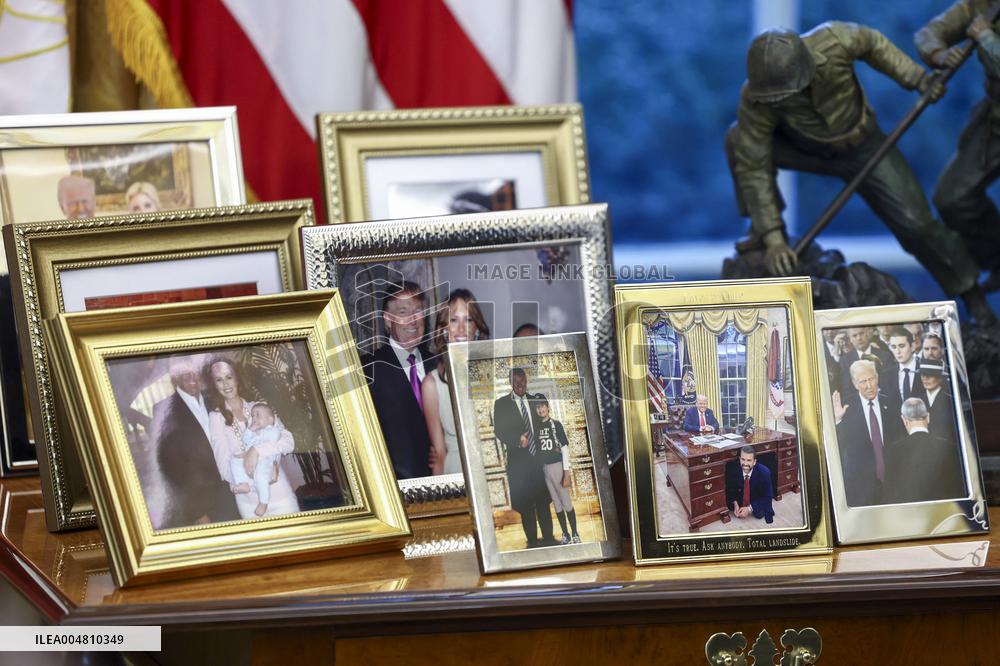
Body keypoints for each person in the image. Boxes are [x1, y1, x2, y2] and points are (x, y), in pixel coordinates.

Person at [725, 23, 998, 327]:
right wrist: (774, 237)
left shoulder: (836, 40)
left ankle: (974, 299)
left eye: (784, 96)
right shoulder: (756, 97)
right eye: (772, 99)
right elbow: (754, 164)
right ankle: (759, 233)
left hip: (865, 148)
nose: (778, 103)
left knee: (918, 225)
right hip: (807, 151)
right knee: (738, 141)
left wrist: (916, 79)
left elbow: (873, 43)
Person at [916, 4, 1000, 293]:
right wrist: (938, 53)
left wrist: (987, 39)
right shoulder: (982, 5)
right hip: (994, 124)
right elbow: (929, 33)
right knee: (952, 198)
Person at [205, 358, 300, 520]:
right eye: (219, 380)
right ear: (214, 385)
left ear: (237, 378)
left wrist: (256, 451)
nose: (226, 384)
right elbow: (224, 467)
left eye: (229, 377)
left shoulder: (259, 407)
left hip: (280, 497)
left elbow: (288, 442)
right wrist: (254, 485)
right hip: (249, 505)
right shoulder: (215, 417)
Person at [152, 355, 240, 528]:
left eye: (195, 373)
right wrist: (197, 512)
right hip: (205, 501)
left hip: (238, 487)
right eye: (185, 374)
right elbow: (172, 470)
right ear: (174, 377)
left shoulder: (216, 397)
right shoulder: (164, 411)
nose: (192, 378)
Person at [361, 281, 433, 480]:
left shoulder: (440, 365)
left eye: (418, 311)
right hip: (395, 489)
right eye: (403, 312)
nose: (413, 321)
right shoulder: (368, 369)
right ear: (387, 319)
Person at [422, 289, 490, 475]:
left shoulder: (495, 373)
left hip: (496, 471)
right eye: (453, 320)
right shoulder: (431, 384)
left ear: (477, 327)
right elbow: (439, 454)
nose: (461, 329)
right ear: (443, 329)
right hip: (457, 474)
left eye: (468, 320)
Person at [492, 368, 554, 548]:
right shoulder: (502, 404)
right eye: (516, 382)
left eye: (523, 382)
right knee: (526, 506)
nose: (520, 385)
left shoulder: (537, 400)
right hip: (519, 464)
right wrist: (517, 440)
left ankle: (549, 539)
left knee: (543, 502)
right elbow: (500, 430)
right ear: (510, 383)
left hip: (540, 461)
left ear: (527, 381)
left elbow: (548, 423)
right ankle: (533, 542)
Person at [832, 360, 904, 506]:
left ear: (877, 378)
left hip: (893, 483)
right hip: (860, 487)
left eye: (871, 379)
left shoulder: (893, 403)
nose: (869, 386)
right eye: (863, 381)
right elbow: (839, 446)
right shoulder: (846, 407)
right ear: (854, 384)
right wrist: (838, 420)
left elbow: (901, 441)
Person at [884, 398, 966, 503]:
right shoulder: (948, 447)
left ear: (904, 420)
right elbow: (957, 489)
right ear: (928, 417)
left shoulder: (894, 451)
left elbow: (890, 493)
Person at [533, 397, 579, 544]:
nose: (540, 410)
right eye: (538, 407)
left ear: (548, 407)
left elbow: (564, 449)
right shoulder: (536, 427)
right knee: (556, 503)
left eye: (543, 406)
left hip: (557, 466)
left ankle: (575, 533)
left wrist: (566, 472)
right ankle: (565, 534)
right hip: (545, 469)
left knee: (566, 501)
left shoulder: (556, 424)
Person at [232, 403, 285, 517]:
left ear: (270, 419)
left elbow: (274, 438)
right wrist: (250, 430)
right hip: (250, 459)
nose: (254, 418)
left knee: (260, 476)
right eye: (252, 416)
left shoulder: (273, 430)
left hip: (266, 460)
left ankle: (263, 502)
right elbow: (245, 440)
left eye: (257, 415)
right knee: (234, 461)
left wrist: (260, 432)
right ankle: (243, 483)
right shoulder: (254, 431)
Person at [839, 327, 892, 401]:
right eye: (854, 335)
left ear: (867, 333)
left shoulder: (885, 356)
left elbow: (889, 386)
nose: (859, 338)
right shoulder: (845, 361)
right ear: (850, 339)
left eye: (861, 333)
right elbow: (847, 389)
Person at [725, 446, 774, 524]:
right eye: (743, 459)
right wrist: (735, 503)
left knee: (759, 513)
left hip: (755, 498)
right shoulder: (733, 469)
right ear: (739, 459)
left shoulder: (764, 473)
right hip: (740, 496)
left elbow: (768, 497)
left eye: (749, 460)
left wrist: (749, 509)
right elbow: (730, 489)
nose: (745, 463)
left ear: (754, 462)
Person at [881, 326, 927, 404]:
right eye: (894, 347)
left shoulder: (925, 370)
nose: (898, 351)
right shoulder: (886, 375)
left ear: (912, 346)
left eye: (901, 346)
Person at [918, 361, 957, 442]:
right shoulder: (917, 401)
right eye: (923, 374)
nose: (925, 378)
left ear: (940, 378)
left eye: (930, 374)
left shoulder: (950, 400)